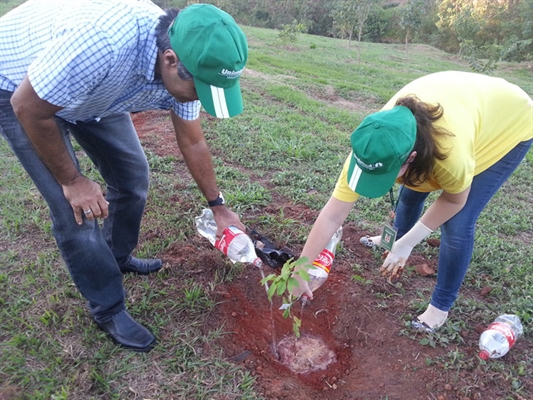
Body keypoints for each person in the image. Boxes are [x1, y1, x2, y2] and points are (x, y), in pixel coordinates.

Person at [0, 0, 248, 352]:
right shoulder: (102, 42)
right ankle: (108, 308)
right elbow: (29, 106)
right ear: (170, 61)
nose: (202, 101)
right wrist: (73, 182)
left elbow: (192, 141)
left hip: (96, 89)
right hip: (20, 88)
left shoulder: (186, 61)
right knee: (77, 210)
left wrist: (218, 206)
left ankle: (116, 255)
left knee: (132, 176)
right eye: (200, 90)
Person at [292, 71, 532, 333]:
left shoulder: (451, 158)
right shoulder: (372, 144)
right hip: (461, 102)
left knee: (458, 223)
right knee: (410, 191)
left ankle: (440, 307)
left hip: (509, 123)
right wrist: (300, 268)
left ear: (412, 157)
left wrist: (408, 243)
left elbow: (454, 201)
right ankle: (392, 242)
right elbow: (332, 215)